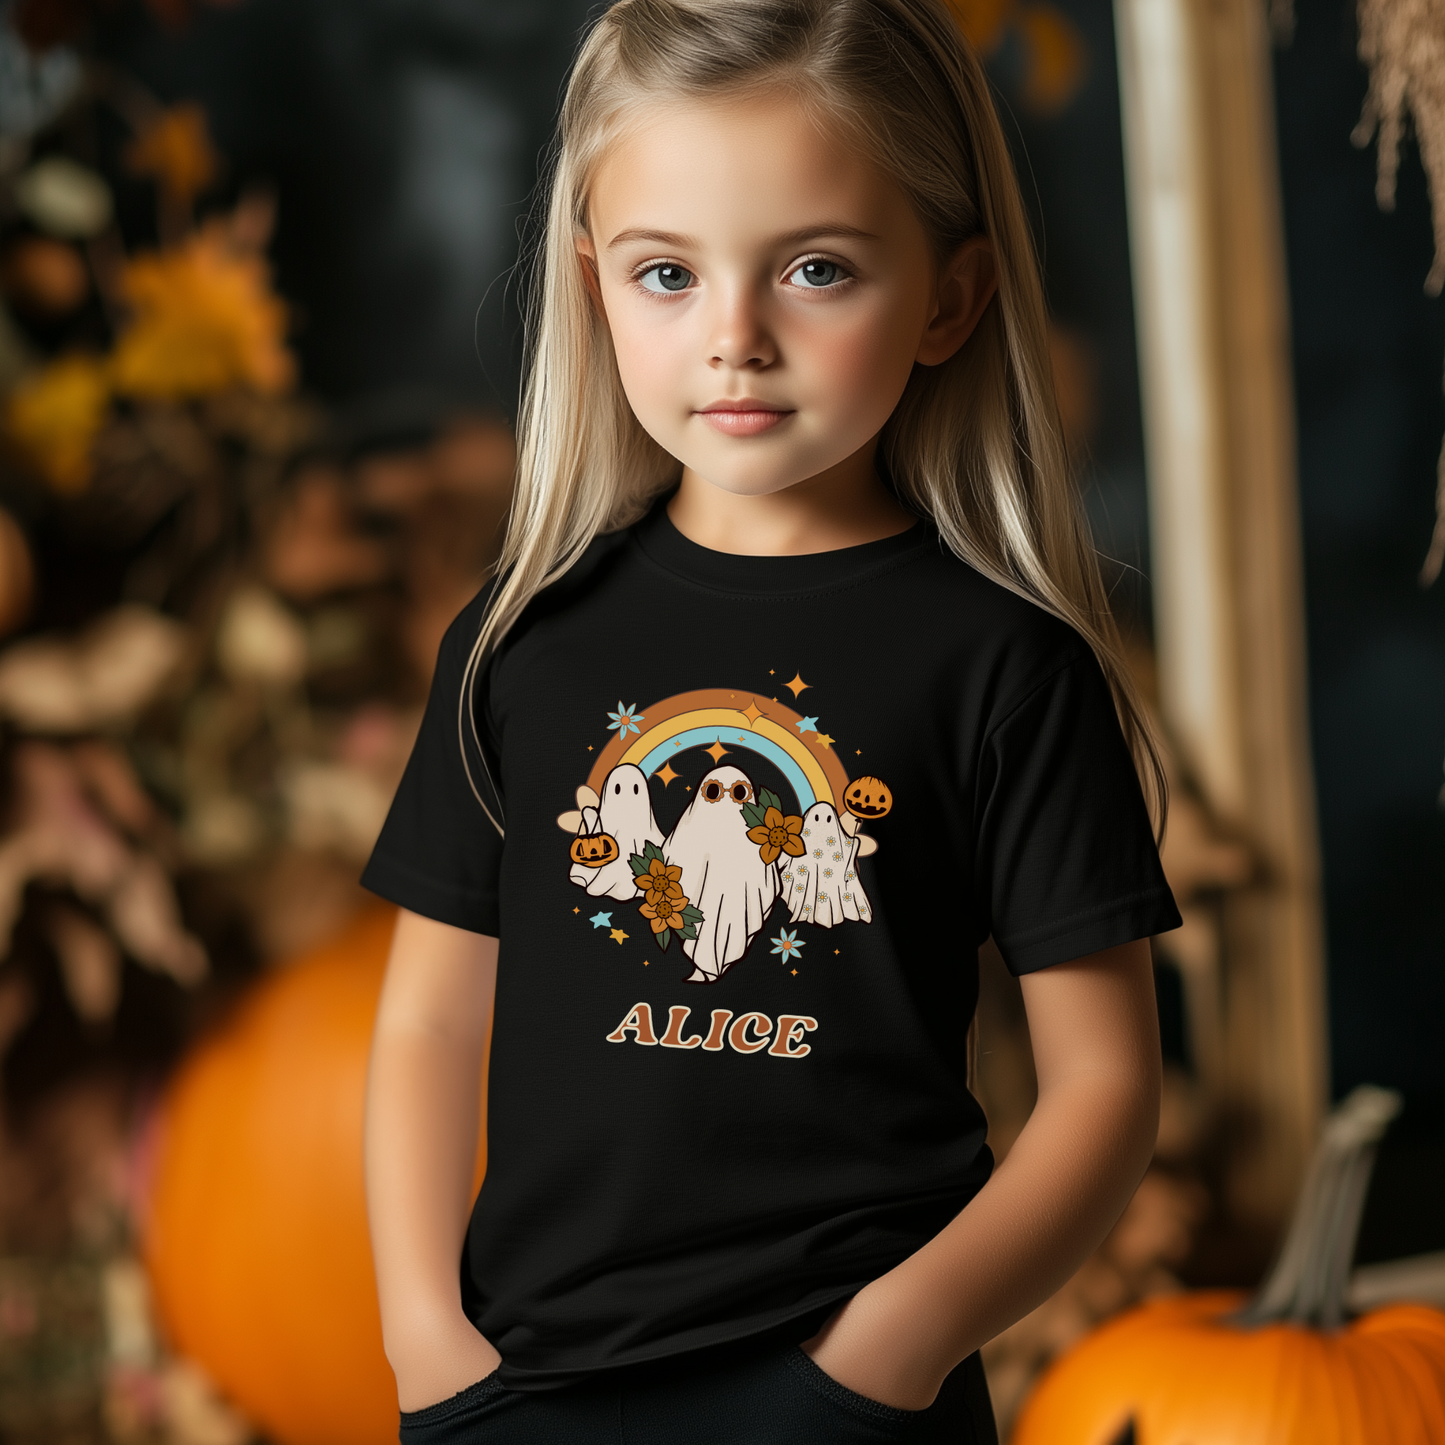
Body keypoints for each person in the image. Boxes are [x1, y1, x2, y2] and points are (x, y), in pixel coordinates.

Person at [361, 1, 1181, 1440]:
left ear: (951, 296)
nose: (734, 339)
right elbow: (430, 1021)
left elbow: (1106, 1084)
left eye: (815, 269)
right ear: (592, 286)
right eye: (667, 273)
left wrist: (894, 1348)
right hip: (527, 1388)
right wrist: (430, 1344)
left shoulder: (1005, 667)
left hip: (845, 1395)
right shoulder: (522, 643)